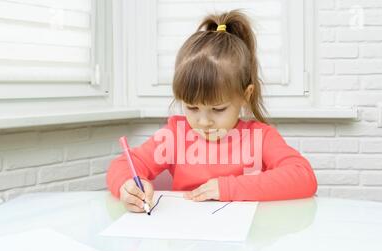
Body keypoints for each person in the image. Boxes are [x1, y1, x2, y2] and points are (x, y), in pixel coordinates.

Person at [106, 10, 318, 213]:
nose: (203, 121)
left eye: (218, 109)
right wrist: (128, 186)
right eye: (192, 107)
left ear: (246, 95)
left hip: (242, 241)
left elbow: (303, 177)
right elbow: (124, 164)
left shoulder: (260, 137)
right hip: (188, 239)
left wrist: (228, 188)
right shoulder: (175, 134)